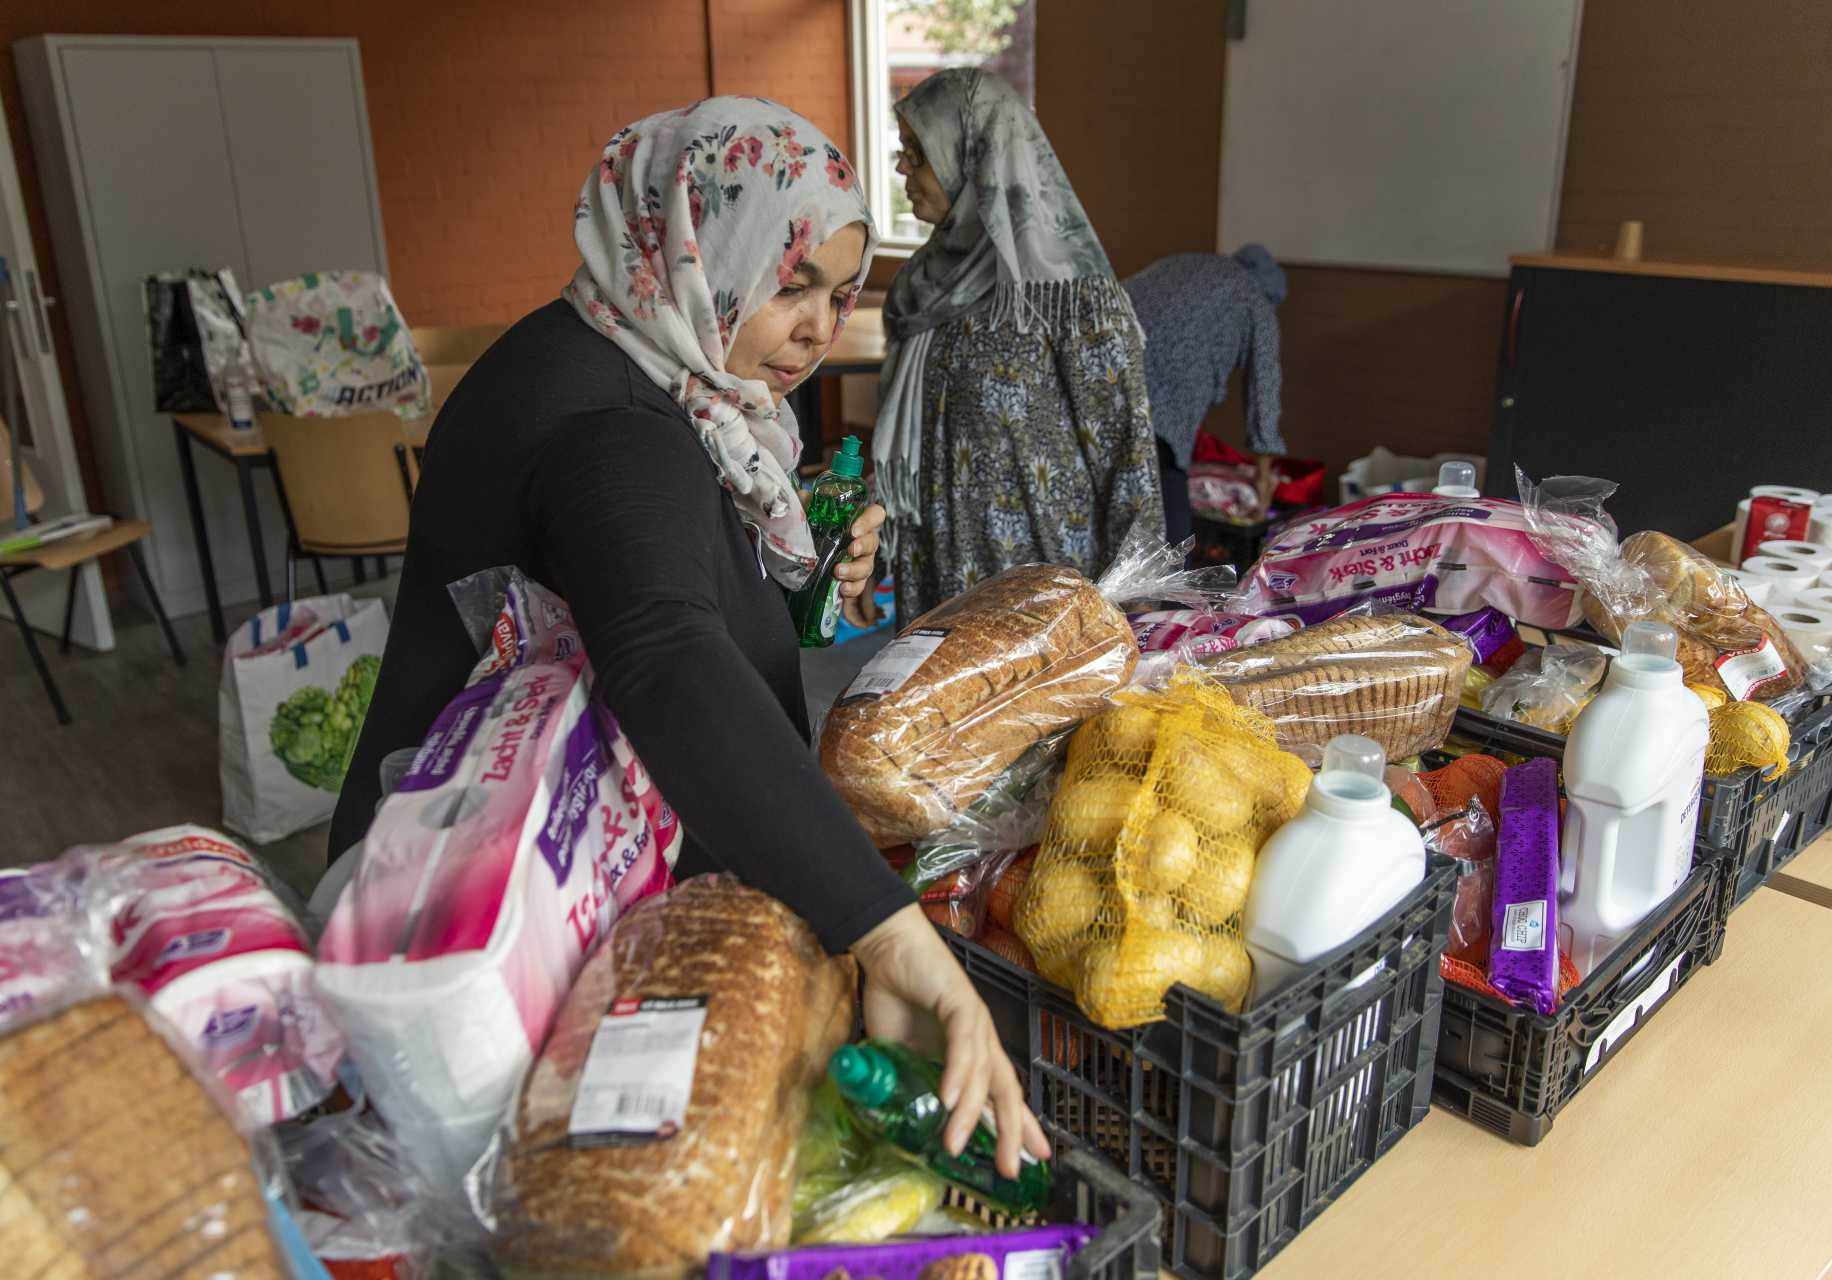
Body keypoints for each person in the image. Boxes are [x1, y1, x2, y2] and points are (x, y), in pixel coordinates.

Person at [330, 99, 1046, 1174]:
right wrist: (884, 925)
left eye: (839, 293)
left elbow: (640, 551)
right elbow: (665, 651)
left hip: (481, 874)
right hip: (483, 931)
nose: (815, 327)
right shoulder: (610, 424)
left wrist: (779, 537)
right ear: (691, 241)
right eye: (789, 281)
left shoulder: (617, 355)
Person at [874, 68, 1162, 624]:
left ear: (974, 153)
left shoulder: (1070, 295)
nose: (902, 168)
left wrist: (1137, 616)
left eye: (919, 152)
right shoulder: (923, 286)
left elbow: (1128, 464)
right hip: (933, 581)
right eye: (903, 150)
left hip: (1038, 604)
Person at [1123, 245, 1288, 544]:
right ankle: (1173, 586)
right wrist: (1264, 475)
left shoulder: (1179, 261)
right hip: (1161, 406)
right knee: (1168, 502)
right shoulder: (1256, 299)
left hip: (1103, 370)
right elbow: (1264, 387)